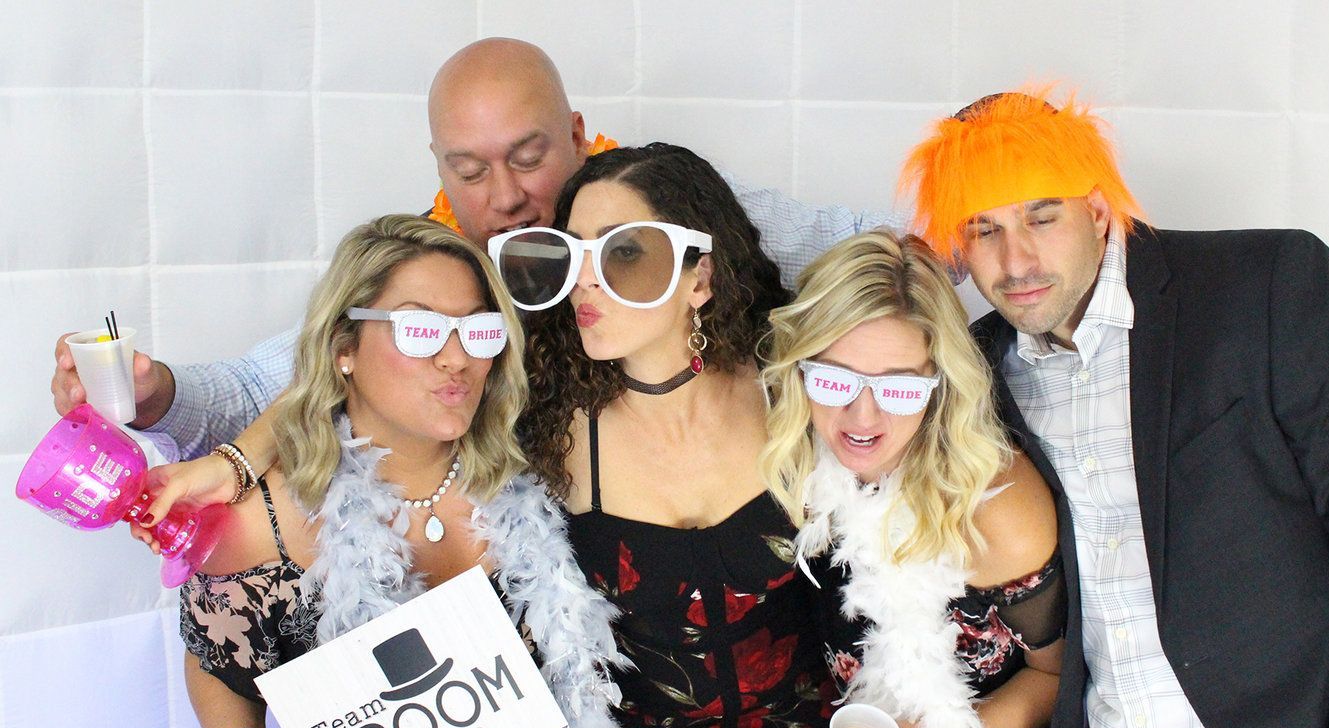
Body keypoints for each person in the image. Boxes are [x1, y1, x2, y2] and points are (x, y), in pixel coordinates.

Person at [899, 88, 1329, 728]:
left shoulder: (1269, 287)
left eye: (1043, 215)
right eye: (983, 231)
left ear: (1098, 210)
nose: (1017, 259)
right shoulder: (974, 377)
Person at [47, 36, 899, 468]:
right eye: (469, 170)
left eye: (530, 158)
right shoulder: (439, 268)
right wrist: (154, 393)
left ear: (575, 135)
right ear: (439, 171)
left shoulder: (650, 209)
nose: (503, 196)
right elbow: (261, 387)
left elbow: (859, 243)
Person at [172, 214, 632, 728]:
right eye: (420, 329)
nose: (456, 358)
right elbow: (214, 662)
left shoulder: (541, 473)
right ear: (344, 348)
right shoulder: (266, 519)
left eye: (480, 331)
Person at [514, 142, 831, 728]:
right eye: (572, 254)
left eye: (625, 252)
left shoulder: (795, 388)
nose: (586, 282)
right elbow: (352, 373)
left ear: (700, 278)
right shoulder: (546, 428)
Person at [759, 230, 1064, 728]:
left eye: (898, 387)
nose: (862, 416)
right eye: (834, 380)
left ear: (941, 382)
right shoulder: (793, 463)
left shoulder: (996, 507)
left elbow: (1058, 676)